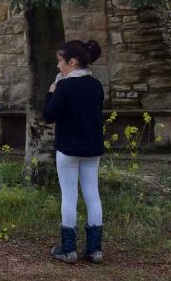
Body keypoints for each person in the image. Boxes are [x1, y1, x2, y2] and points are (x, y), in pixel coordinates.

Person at [43, 39, 105, 264]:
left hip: (68, 149)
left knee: (69, 196)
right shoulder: (96, 86)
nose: (59, 66)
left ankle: (68, 250)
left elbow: (49, 115)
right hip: (92, 147)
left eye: (61, 61)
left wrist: (51, 93)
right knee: (92, 194)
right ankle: (95, 249)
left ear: (72, 61)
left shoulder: (65, 87)